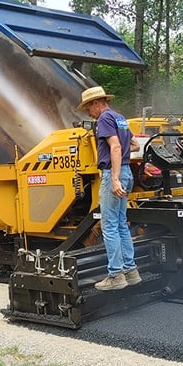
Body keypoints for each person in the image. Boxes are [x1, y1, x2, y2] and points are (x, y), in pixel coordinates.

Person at [76, 86, 141, 291]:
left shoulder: (104, 119)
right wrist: (121, 161)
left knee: (109, 225)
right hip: (127, 172)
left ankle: (115, 275)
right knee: (121, 224)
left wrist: (113, 178)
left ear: (97, 103)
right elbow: (135, 144)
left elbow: (115, 146)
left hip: (114, 174)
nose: (88, 113)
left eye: (88, 109)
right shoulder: (120, 118)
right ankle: (131, 271)